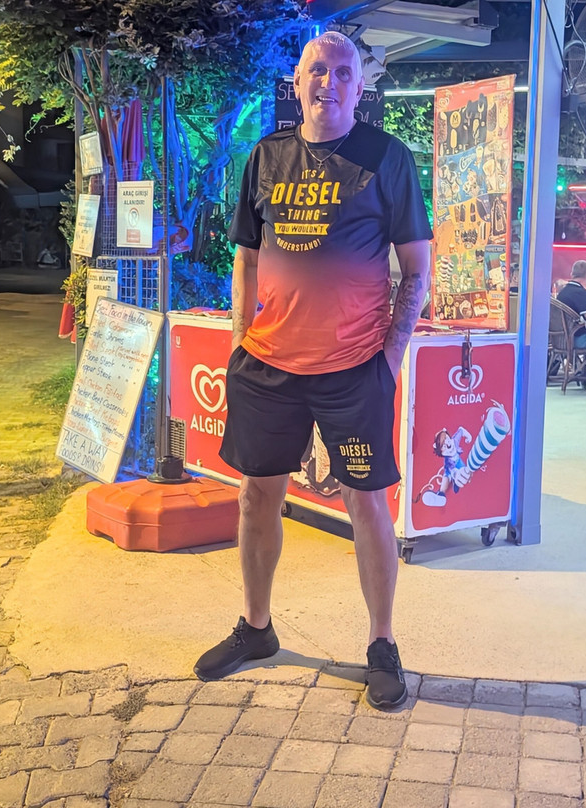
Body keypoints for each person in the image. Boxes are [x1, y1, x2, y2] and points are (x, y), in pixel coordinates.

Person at [194, 32, 432, 712]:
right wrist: (240, 338)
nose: (330, 82)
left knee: (367, 503)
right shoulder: (265, 157)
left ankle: (382, 644)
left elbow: (417, 268)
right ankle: (257, 628)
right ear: (297, 83)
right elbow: (245, 256)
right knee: (256, 497)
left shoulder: (387, 158)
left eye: (343, 72)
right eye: (317, 70)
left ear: (361, 85)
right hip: (268, 366)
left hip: (354, 369)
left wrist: (390, 356)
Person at [557, 260, 586, 350]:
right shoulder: (582, 293)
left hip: (560, 340)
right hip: (578, 340)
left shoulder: (562, 291)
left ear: (572, 274)